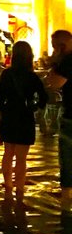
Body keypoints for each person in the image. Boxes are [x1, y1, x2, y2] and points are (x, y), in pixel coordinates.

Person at [0, 40, 47, 207]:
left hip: (9, 115)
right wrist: (33, 107)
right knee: (21, 158)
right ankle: (20, 188)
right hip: (25, 116)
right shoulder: (32, 77)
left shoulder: (6, 74)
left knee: (8, 153)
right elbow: (44, 97)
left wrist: (2, 113)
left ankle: (8, 186)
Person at [45, 30, 72, 199]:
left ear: (61, 46)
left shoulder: (68, 61)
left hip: (71, 116)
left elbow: (54, 83)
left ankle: (67, 202)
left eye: (55, 47)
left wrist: (54, 62)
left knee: (68, 160)